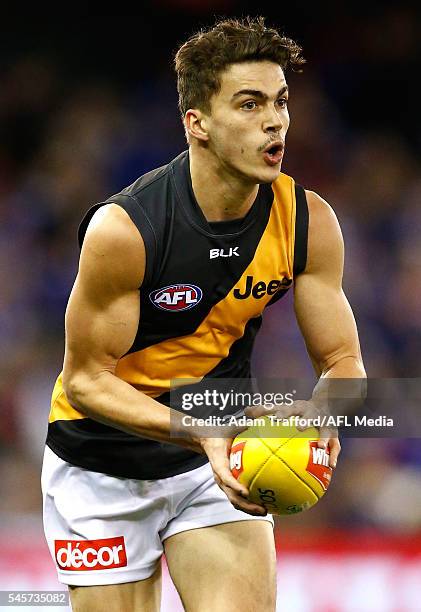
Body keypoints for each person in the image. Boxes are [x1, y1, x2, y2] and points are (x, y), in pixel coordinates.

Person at [41, 16, 366, 612]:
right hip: (99, 463)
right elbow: (87, 382)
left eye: (281, 102)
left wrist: (326, 412)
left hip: (218, 463)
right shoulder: (127, 229)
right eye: (249, 104)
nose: (275, 121)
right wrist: (204, 433)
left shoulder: (308, 220)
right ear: (199, 125)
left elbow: (344, 360)